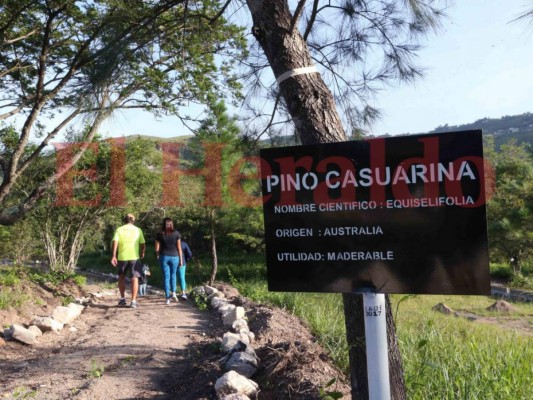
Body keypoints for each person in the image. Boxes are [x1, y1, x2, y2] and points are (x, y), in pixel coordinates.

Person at [111, 213, 146, 308]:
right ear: (133, 220)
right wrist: (142, 252)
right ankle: (133, 301)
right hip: (134, 257)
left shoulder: (119, 229)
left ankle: (122, 299)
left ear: (124, 220)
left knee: (121, 277)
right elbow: (143, 243)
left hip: (122, 257)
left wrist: (114, 256)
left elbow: (115, 242)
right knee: (134, 278)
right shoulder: (138, 230)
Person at [155, 217, 183, 305]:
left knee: (166, 277)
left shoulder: (159, 234)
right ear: (172, 224)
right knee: (173, 275)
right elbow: (179, 248)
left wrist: (157, 256)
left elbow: (157, 249)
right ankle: (174, 293)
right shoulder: (177, 234)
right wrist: (181, 260)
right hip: (175, 256)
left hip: (164, 257)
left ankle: (167, 298)